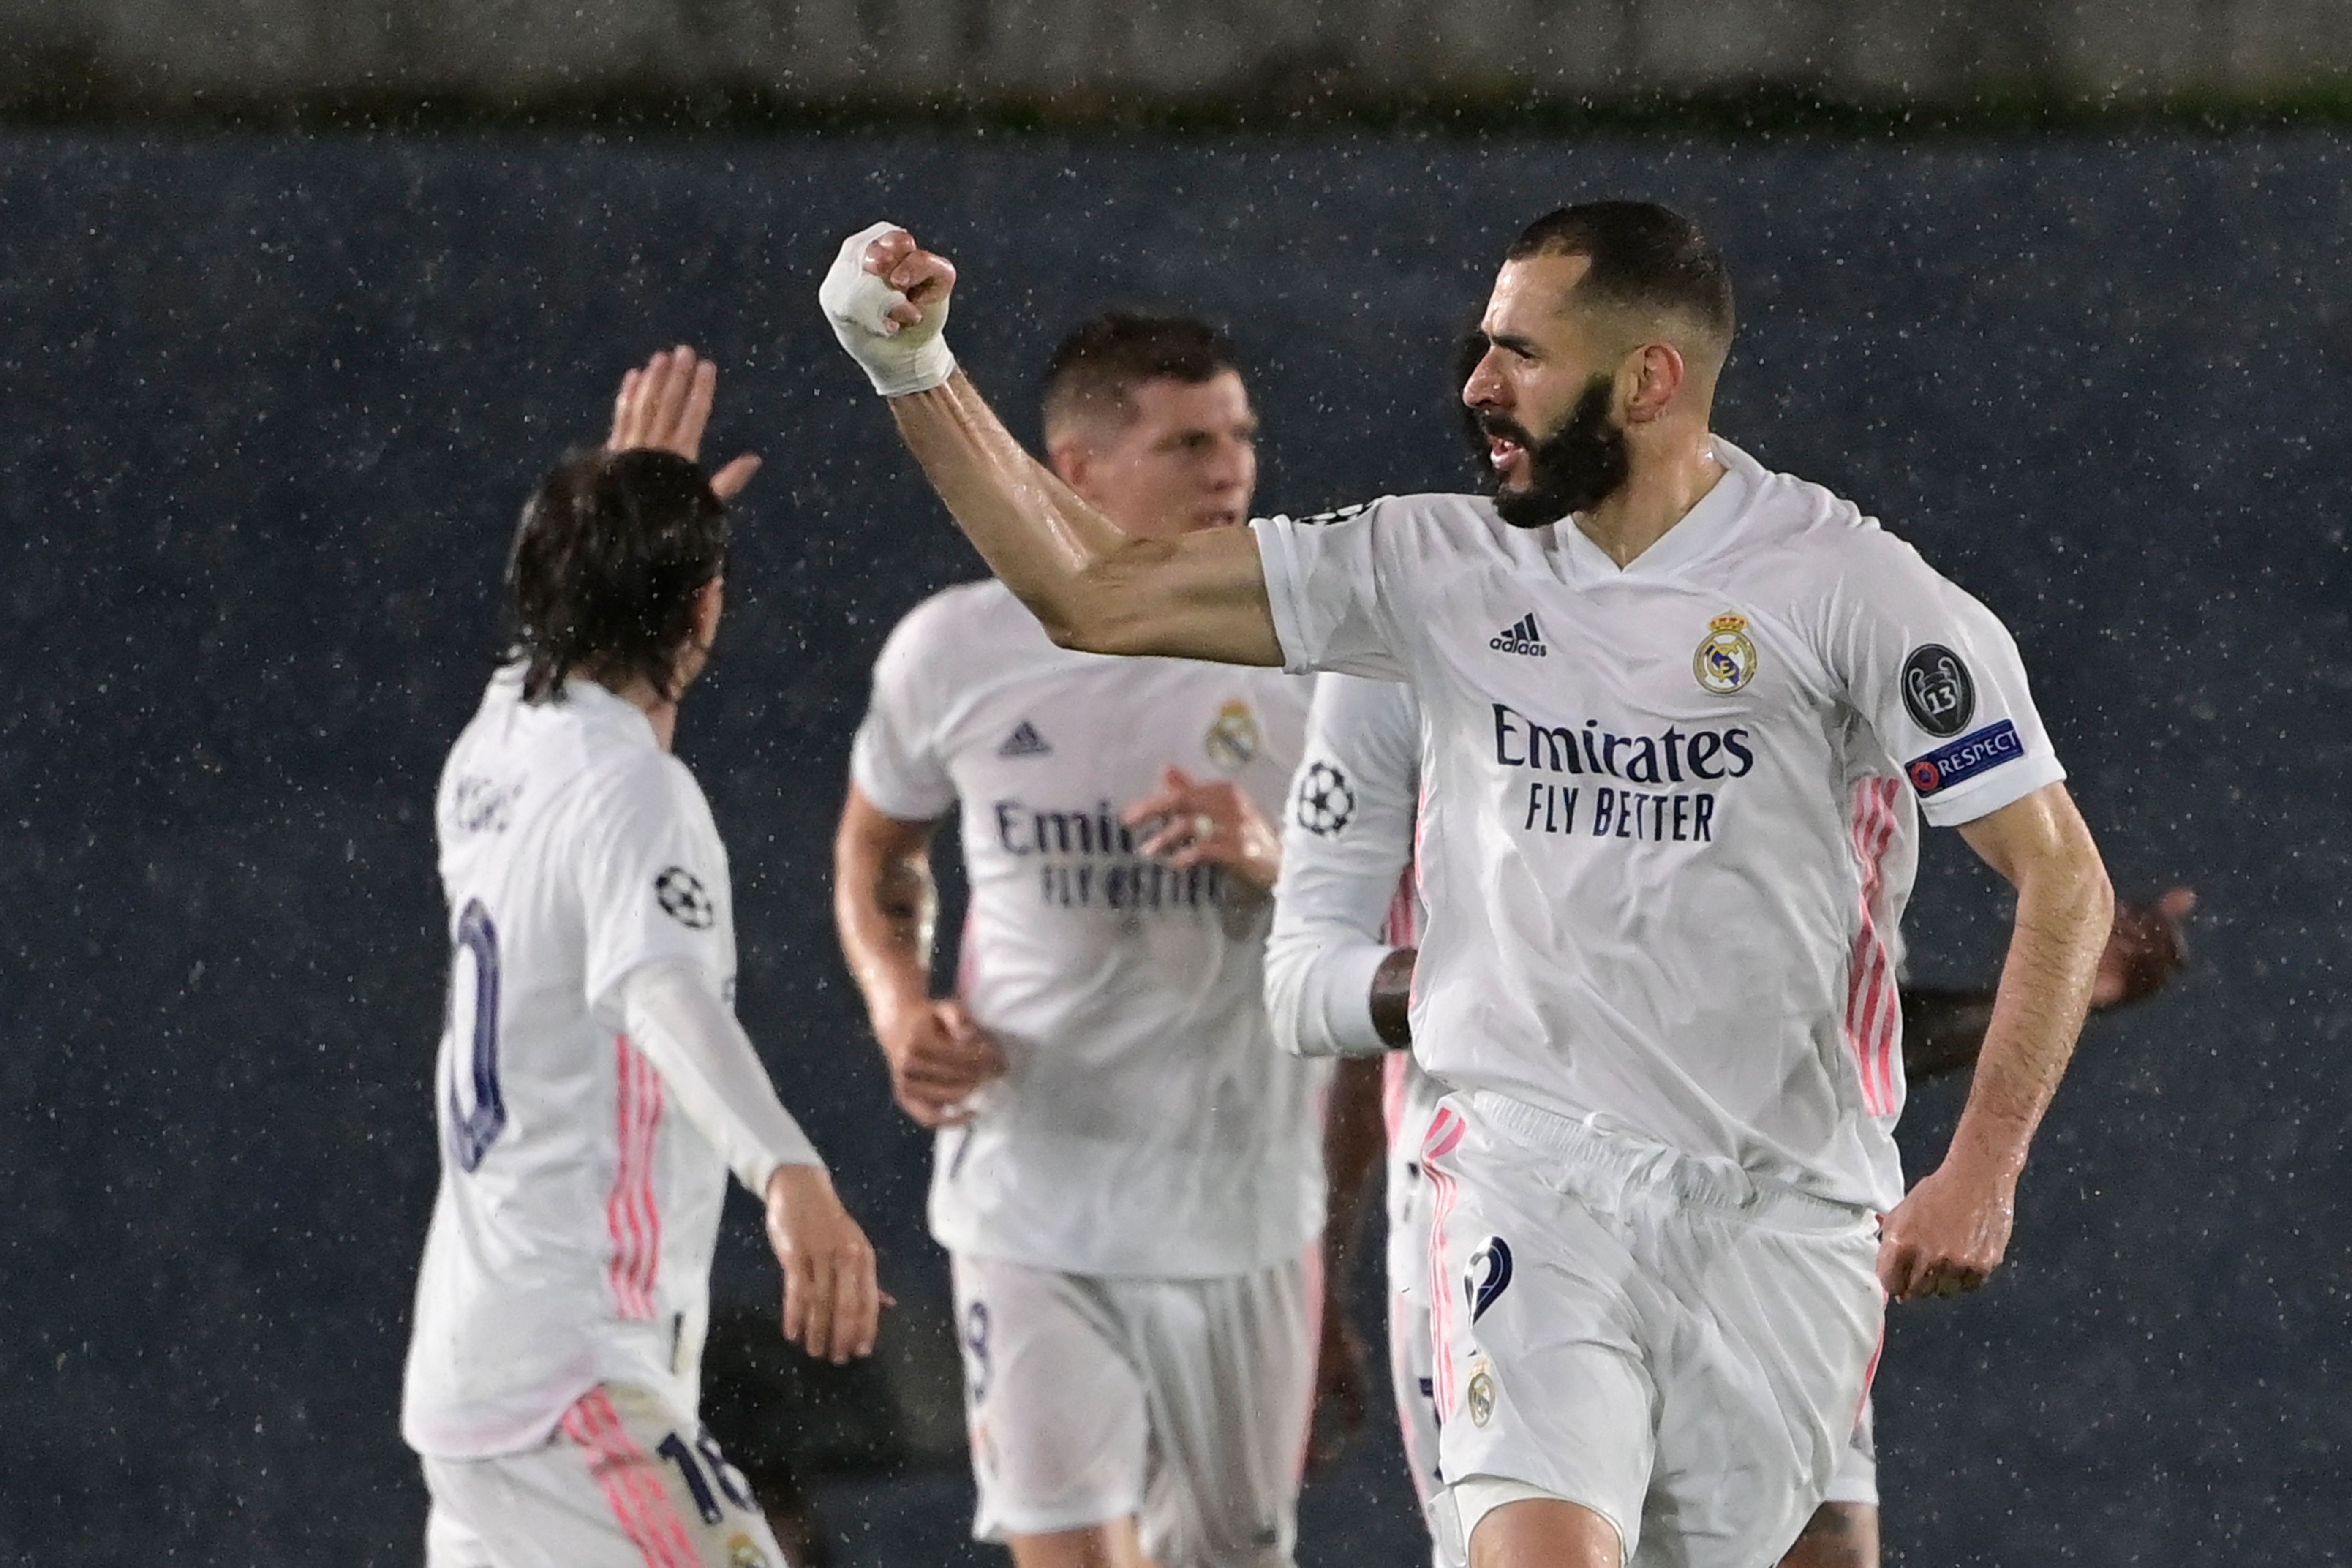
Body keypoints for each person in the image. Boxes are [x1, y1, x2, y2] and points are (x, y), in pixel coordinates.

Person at [817, 200, 2117, 1568]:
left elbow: (2059, 880)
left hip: (1772, 1211)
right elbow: (1097, 592)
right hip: (1525, 1188)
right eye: (1479, 348)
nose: (1475, 387)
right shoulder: (1428, 567)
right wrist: (912, 369)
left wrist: (1979, 1168)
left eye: (1520, 355)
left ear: (1649, 381)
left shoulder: (1846, 590)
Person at [1264, 667, 2194, 1568]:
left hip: (1783, 1229)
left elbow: (1849, 1036)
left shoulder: (1834, 622)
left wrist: (2032, 1032)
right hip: (1511, 1209)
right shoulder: (1422, 615)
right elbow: (1321, 978)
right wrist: (1327, 1263)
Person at [831, 313, 1374, 1568]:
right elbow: (877, 851)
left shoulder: (1322, 668)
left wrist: (1274, 862)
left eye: (1240, 434)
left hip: (1243, 1219)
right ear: (1077, 470)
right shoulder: (957, 651)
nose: (1232, 468)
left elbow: (1394, 942)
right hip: (1034, 1205)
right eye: (1188, 443)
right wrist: (899, 1011)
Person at [401, 348, 884, 1568]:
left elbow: (554, 640)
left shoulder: (495, 749)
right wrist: (791, 1177)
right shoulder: (638, 798)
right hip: (574, 1376)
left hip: (479, 1367)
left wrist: (619, 510)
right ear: (707, 613)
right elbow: (659, 991)